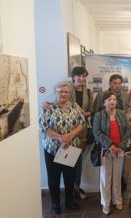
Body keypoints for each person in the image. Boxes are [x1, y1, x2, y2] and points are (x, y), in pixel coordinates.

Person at [39, 81, 86, 214]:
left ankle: (69, 200)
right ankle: (55, 202)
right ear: (55, 93)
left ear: (70, 93)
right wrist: (60, 138)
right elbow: (44, 128)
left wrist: (70, 136)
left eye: (66, 91)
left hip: (71, 147)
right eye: (60, 91)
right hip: (52, 149)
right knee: (53, 177)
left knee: (69, 176)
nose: (63, 94)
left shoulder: (75, 106)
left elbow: (82, 123)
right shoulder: (49, 107)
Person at [92, 92, 130, 215]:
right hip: (105, 150)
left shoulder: (122, 114)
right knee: (105, 178)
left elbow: (127, 130)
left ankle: (117, 200)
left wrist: (120, 146)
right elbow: (96, 132)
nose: (112, 101)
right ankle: (106, 203)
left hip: (120, 150)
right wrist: (110, 145)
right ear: (104, 102)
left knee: (117, 177)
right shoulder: (99, 115)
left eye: (114, 99)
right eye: (109, 99)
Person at [70, 66, 94, 200]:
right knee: (68, 160)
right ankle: (71, 187)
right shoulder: (67, 91)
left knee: (78, 160)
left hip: (82, 131)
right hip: (68, 131)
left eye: (84, 76)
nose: (81, 78)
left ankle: (76, 187)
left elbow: (91, 110)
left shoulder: (89, 92)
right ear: (73, 77)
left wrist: (85, 113)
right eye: (79, 76)